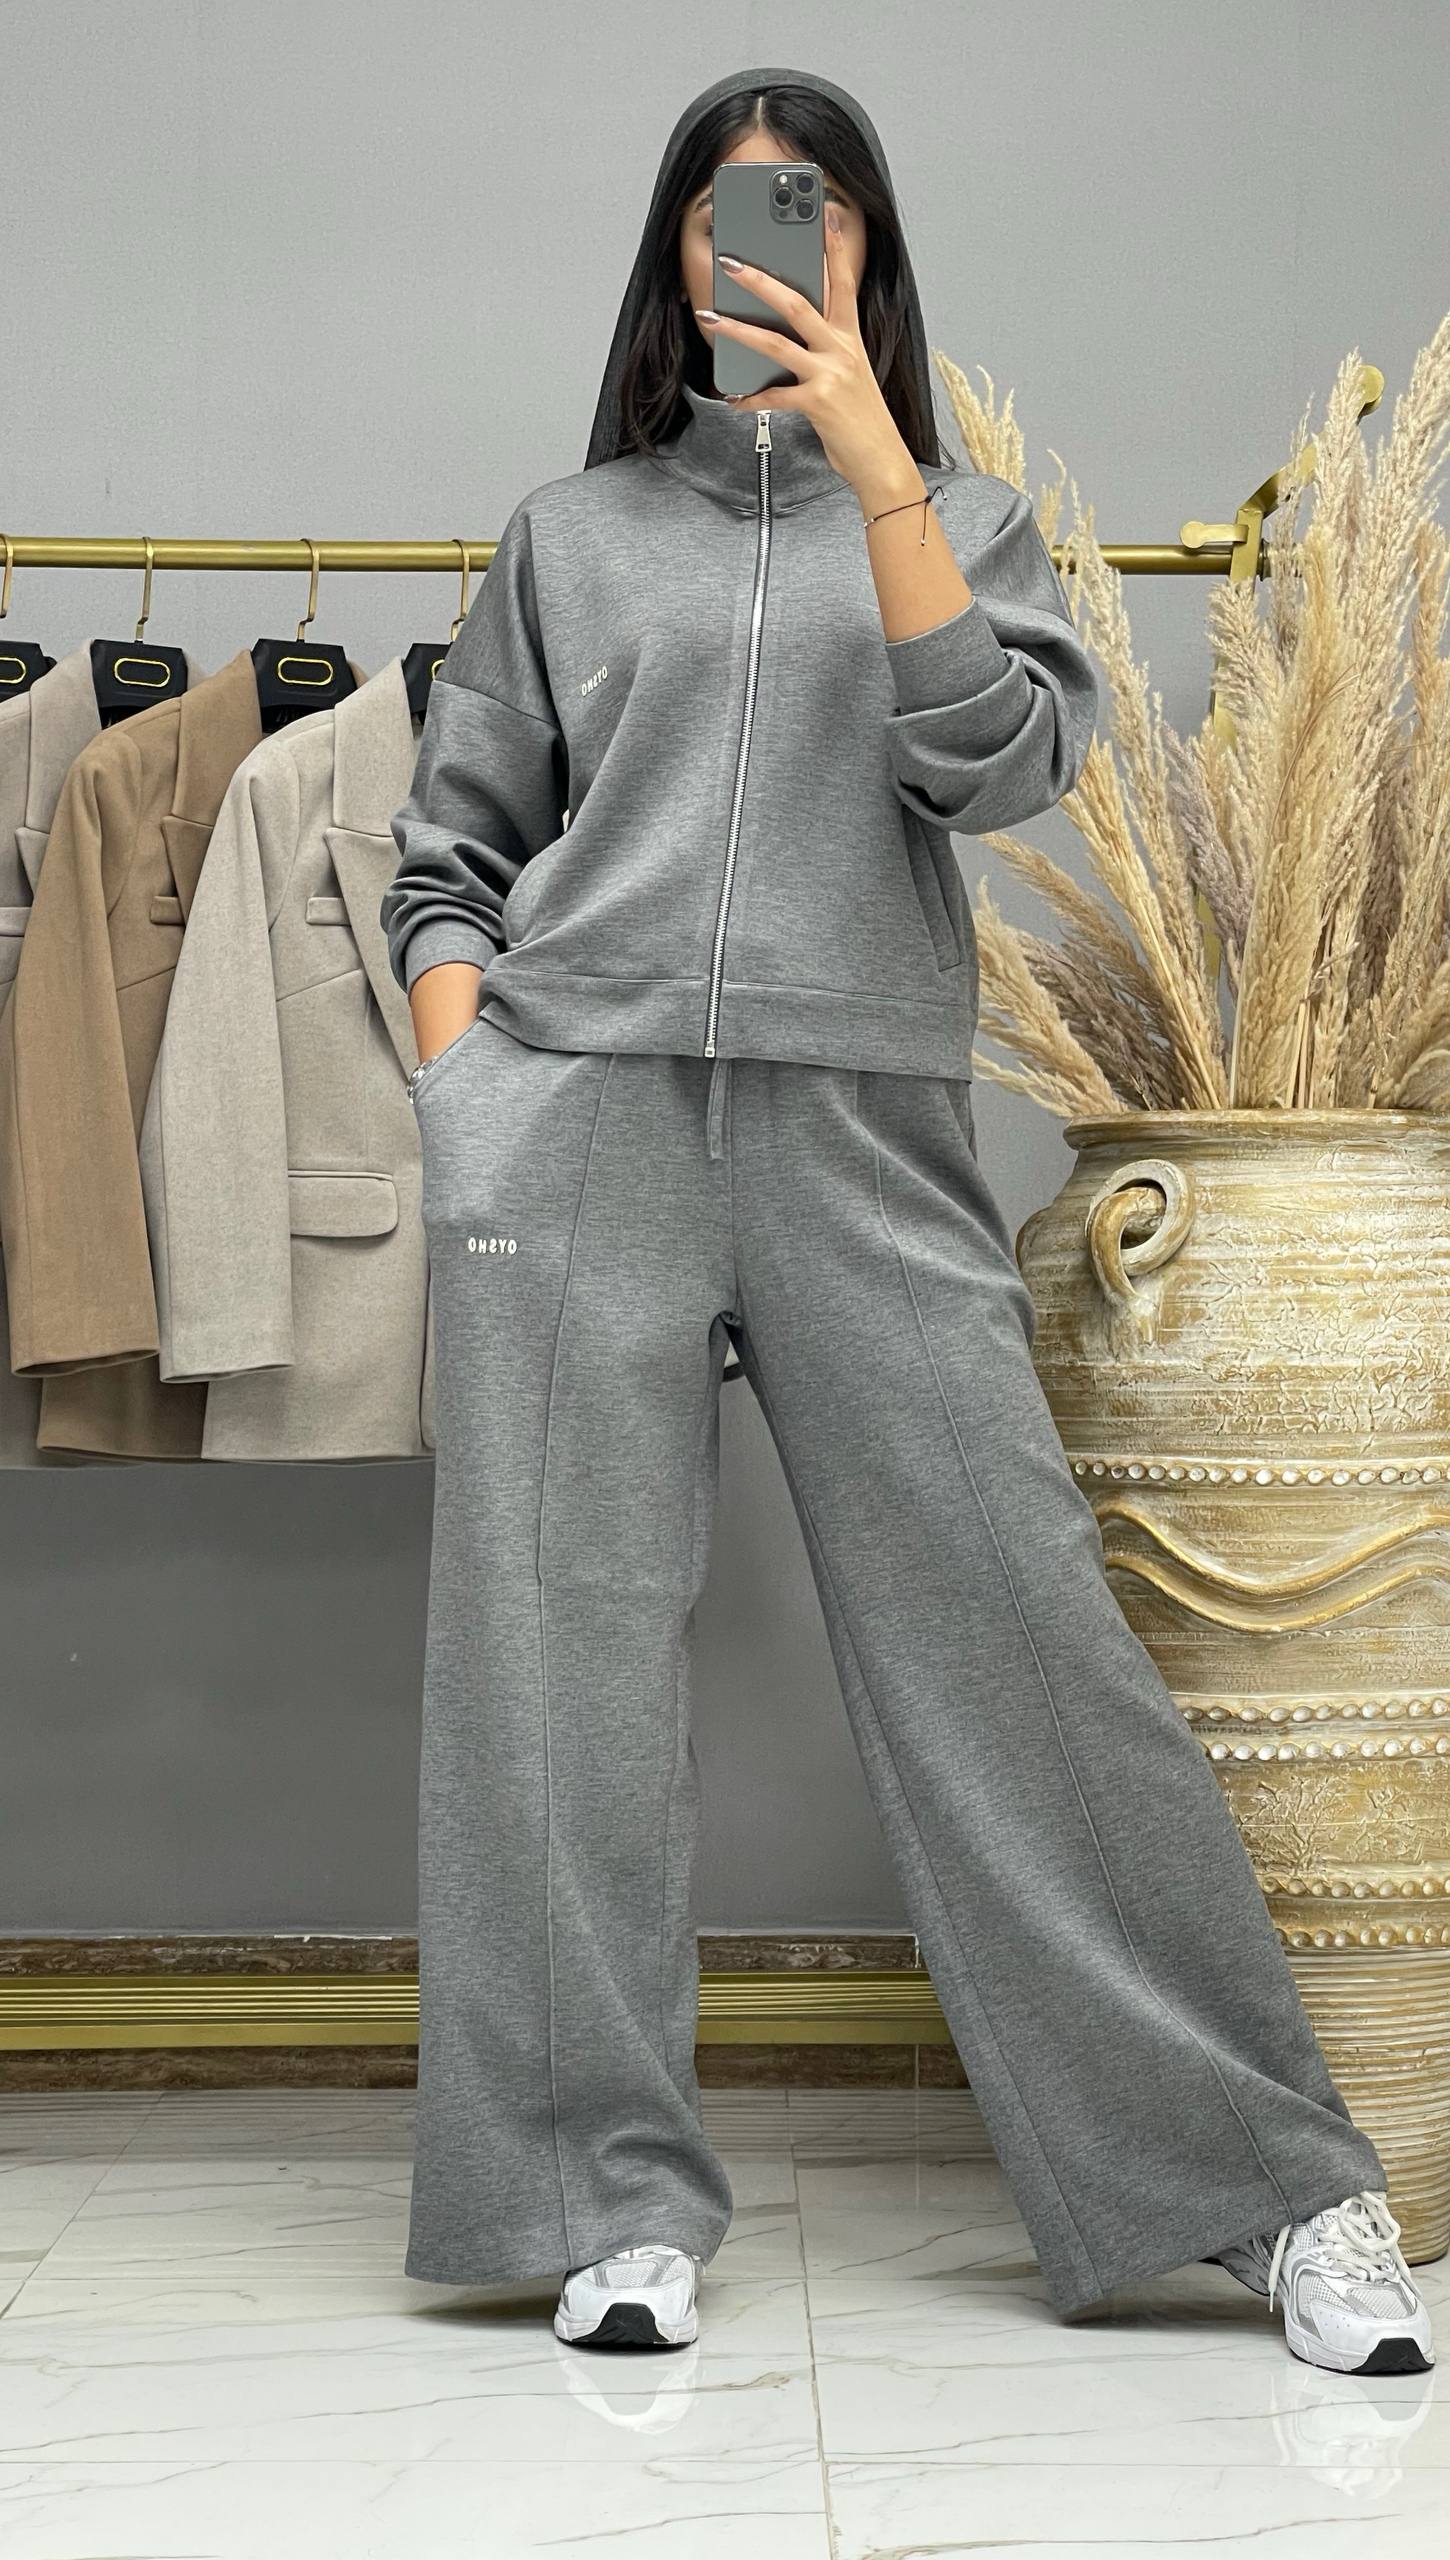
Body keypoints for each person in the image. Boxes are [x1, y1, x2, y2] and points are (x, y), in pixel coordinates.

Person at [380, 64, 1434, 2374]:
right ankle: (595, 2196)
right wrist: (473, 1098)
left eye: (814, 210)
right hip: (583, 1124)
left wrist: (877, 476)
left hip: (862, 1133)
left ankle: (1266, 2184)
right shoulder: (570, 537)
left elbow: (999, 763)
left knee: (1020, 1642)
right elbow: (447, 855)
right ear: (675, 254)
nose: (770, 242)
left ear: (863, 256)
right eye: (731, 210)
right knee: (552, 1676)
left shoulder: (958, 521)